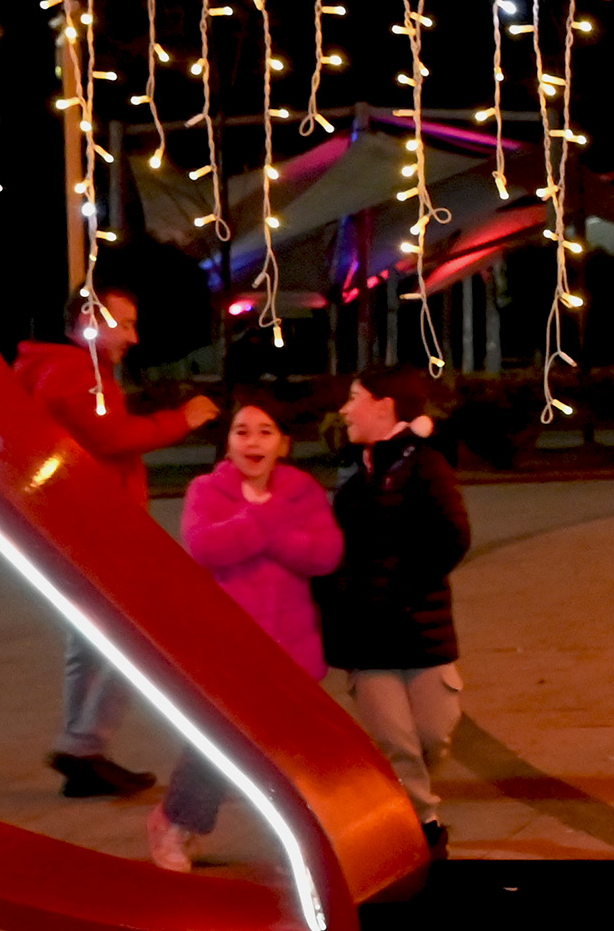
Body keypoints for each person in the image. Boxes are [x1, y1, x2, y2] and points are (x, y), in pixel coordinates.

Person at [14, 280, 216, 798]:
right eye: (124, 324)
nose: (133, 336)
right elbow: (114, 437)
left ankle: (84, 757)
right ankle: (83, 745)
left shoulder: (69, 370)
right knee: (142, 638)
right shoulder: (73, 374)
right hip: (94, 530)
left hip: (80, 527)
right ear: (88, 322)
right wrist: (183, 418)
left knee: (91, 644)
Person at [151, 396, 342, 872]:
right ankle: (175, 823)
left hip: (290, 647)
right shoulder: (207, 490)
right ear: (228, 442)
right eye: (241, 431)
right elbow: (205, 547)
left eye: (264, 432)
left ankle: (306, 842)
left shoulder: (303, 491)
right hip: (228, 646)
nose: (252, 442)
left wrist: (263, 532)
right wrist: (268, 520)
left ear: (284, 444)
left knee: (291, 752)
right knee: (218, 743)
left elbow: (325, 554)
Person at [318, 368, 471, 861]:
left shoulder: (425, 463)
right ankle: (424, 829)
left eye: (354, 398)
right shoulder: (352, 471)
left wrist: (401, 592)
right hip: (367, 637)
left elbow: (454, 537)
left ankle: (401, 807)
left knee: (433, 735)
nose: (345, 410)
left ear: (384, 406)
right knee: (397, 742)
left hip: (422, 629)